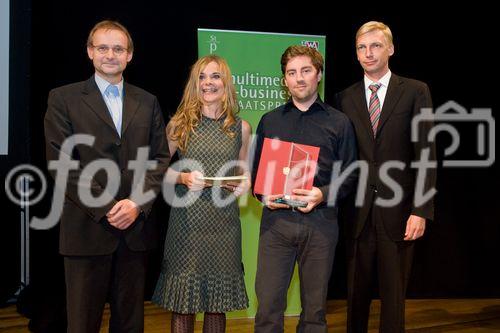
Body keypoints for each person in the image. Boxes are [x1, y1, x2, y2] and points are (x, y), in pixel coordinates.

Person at [44, 20, 170, 333]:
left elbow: (160, 159)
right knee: (83, 324)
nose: (110, 54)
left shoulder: (148, 101)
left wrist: (136, 205)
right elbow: (63, 162)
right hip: (86, 230)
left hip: (135, 232)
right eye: (102, 47)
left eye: (118, 48)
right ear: (90, 52)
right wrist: (108, 208)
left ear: (129, 55)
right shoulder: (63, 99)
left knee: (130, 324)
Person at [335, 21, 436, 332]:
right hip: (357, 214)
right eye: (362, 48)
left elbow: (426, 153)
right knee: (355, 299)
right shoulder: (343, 98)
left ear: (390, 49)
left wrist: (421, 210)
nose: (368, 53)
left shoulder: (416, 91)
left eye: (375, 46)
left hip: (400, 213)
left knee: (394, 301)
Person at [252, 45, 358, 333]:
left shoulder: (340, 122)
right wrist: (263, 195)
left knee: (314, 313)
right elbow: (255, 176)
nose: (299, 78)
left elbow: (350, 175)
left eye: (306, 71)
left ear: (318, 75)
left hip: (320, 226)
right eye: (291, 72)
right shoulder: (270, 121)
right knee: (268, 310)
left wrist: (323, 193)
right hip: (276, 226)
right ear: (284, 79)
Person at [152, 55, 251, 333]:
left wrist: (244, 184)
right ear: (194, 84)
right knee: (184, 305)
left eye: (215, 76)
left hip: (224, 227)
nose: (208, 83)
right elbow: (155, 171)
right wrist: (182, 177)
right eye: (202, 77)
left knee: (216, 305)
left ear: (226, 83)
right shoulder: (179, 125)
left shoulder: (241, 128)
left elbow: (244, 173)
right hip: (187, 226)